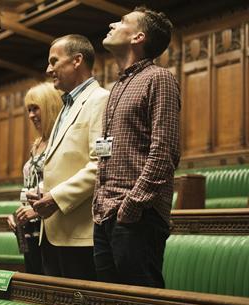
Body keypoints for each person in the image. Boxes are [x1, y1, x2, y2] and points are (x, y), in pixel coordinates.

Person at [92, 6, 180, 288]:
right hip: (105, 212)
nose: (112, 23)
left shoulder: (159, 78)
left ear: (138, 37)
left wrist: (132, 205)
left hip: (136, 215)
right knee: (112, 304)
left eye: (122, 21)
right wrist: (102, 203)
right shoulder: (117, 86)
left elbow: (164, 152)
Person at [27, 34, 109, 280]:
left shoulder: (99, 100)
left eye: (54, 61)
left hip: (79, 234)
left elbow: (100, 164)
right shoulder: (66, 105)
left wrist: (56, 197)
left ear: (77, 60)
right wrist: (43, 192)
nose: (48, 68)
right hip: (53, 231)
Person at [7, 82, 62, 275]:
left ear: (50, 106)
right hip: (28, 229)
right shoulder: (37, 144)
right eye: (28, 110)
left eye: (35, 108)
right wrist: (17, 214)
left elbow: (59, 188)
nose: (31, 115)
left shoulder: (59, 141)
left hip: (49, 228)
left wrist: (36, 211)